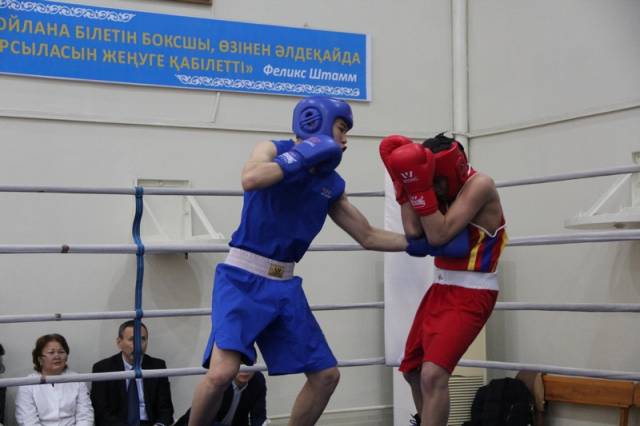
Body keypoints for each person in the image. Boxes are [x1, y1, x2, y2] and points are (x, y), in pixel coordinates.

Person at [188, 96, 411, 426]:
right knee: (222, 373)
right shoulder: (271, 149)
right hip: (242, 278)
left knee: (326, 376)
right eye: (341, 129)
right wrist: (300, 156)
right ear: (314, 122)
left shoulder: (331, 184)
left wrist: (422, 243)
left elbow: (367, 235)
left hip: (284, 286)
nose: (346, 140)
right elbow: (251, 178)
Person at [380, 132, 507, 426]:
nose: (435, 187)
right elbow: (413, 231)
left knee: (433, 375)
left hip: (473, 291)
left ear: (453, 169)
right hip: (440, 287)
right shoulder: (437, 186)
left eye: (437, 180)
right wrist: (404, 185)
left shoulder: (480, 185)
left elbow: (437, 235)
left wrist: (421, 188)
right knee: (412, 370)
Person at [91, 320, 174, 426]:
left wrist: (159, 424)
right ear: (119, 342)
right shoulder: (103, 368)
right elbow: (101, 412)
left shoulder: (157, 366)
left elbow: (166, 409)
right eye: (132, 340)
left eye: (142, 339)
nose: (138, 345)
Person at [15, 334, 94, 426]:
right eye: (51, 352)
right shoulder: (27, 384)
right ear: (40, 359)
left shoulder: (77, 380)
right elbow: (28, 421)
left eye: (61, 352)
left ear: (66, 356)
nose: (57, 356)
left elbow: (85, 416)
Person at [175, 371, 267, 426]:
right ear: (233, 364)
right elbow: (207, 420)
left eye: (250, 364)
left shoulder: (258, 380)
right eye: (241, 363)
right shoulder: (219, 380)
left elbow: (259, 415)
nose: (245, 370)